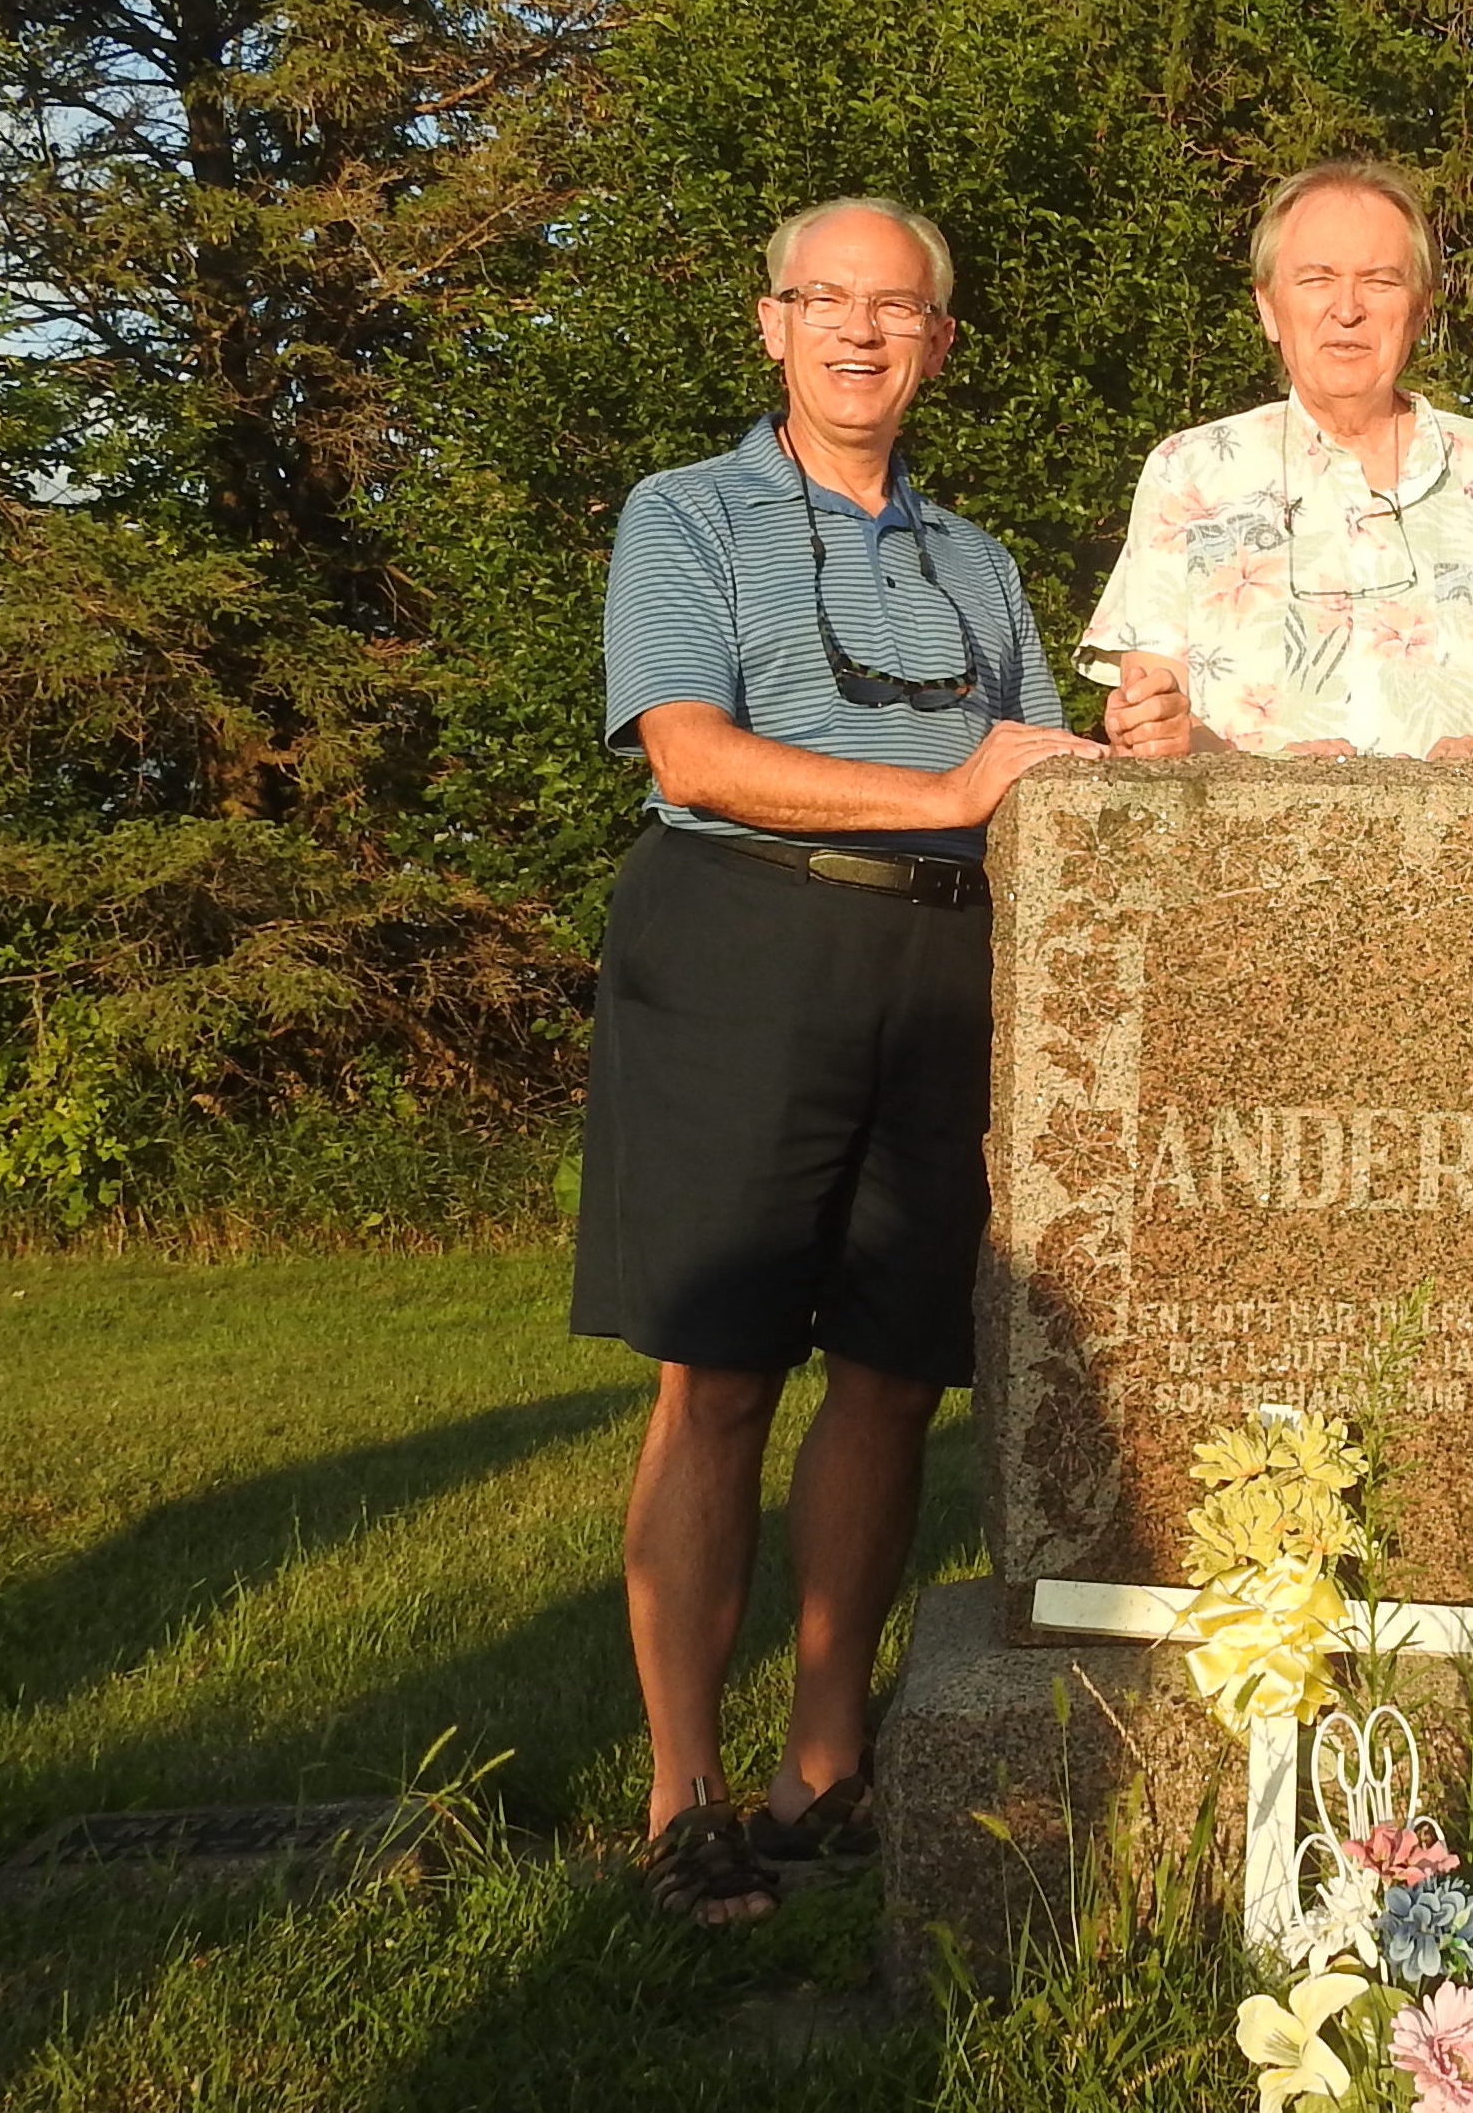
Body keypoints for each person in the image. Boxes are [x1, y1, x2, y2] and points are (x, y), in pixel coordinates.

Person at [570, 195, 1106, 1920]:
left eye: (899, 310)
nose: (863, 332)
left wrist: (1121, 748)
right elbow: (696, 751)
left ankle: (823, 1765)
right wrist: (949, 791)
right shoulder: (684, 514)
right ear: (770, 323)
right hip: (740, 935)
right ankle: (681, 1795)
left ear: (938, 345)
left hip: (945, 961)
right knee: (716, 1377)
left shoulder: (978, 559)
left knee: (891, 1372)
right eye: (829, 302)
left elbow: (1028, 765)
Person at [1081, 159, 1473, 761]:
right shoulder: (1188, 472)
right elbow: (1158, 702)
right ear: (1268, 307)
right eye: (1317, 279)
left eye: (1380, 281)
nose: (1347, 309)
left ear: (1419, 310)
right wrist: (1182, 736)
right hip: (1251, 843)